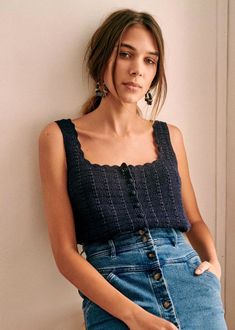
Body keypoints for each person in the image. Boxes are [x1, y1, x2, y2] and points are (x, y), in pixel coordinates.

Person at [38, 8, 228, 330]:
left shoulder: (171, 136)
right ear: (102, 59)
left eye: (149, 60)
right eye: (126, 54)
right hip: (113, 290)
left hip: (189, 280)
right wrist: (133, 317)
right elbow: (65, 253)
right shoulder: (58, 138)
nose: (137, 70)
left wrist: (214, 265)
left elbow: (193, 220)